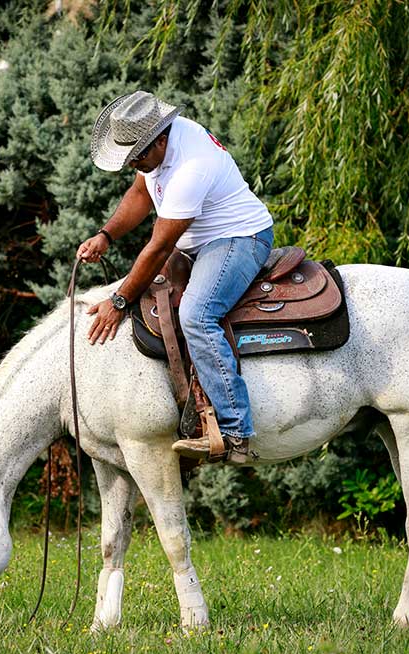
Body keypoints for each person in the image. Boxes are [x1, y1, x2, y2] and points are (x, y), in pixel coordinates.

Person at [76, 90, 274, 464]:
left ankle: (234, 432)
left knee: (197, 314)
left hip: (237, 238)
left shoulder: (191, 167)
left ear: (160, 140)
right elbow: (140, 193)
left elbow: (159, 247)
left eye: (137, 156)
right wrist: (105, 235)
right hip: (197, 241)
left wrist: (120, 301)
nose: (133, 164)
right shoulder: (154, 147)